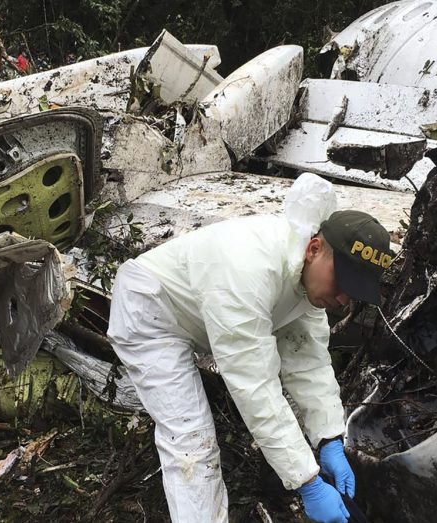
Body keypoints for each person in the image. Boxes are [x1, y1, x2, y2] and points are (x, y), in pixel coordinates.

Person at [107, 173, 394, 522]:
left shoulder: (305, 281)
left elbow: (310, 365)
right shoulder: (248, 270)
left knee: (199, 433)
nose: (343, 298)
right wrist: (307, 482)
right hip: (151, 310)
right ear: (314, 248)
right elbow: (255, 386)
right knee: (191, 441)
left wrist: (329, 438)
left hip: (198, 315)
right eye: (342, 282)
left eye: (355, 290)